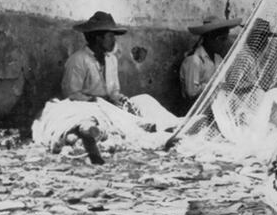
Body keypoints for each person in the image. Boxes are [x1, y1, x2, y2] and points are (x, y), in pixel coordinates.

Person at [32, 11, 180, 163]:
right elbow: (71, 93)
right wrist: (97, 99)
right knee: (103, 106)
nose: (114, 40)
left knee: (144, 99)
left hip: (109, 105)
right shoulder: (78, 60)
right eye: (110, 36)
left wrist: (120, 99)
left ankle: (174, 123)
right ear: (98, 38)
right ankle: (146, 128)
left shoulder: (112, 59)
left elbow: (114, 91)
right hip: (88, 106)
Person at [180, 15, 244, 101]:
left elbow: (223, 84)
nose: (224, 43)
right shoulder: (194, 60)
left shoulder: (218, 59)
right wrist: (215, 87)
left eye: (225, 39)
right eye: (222, 39)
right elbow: (191, 93)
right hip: (194, 110)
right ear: (209, 38)